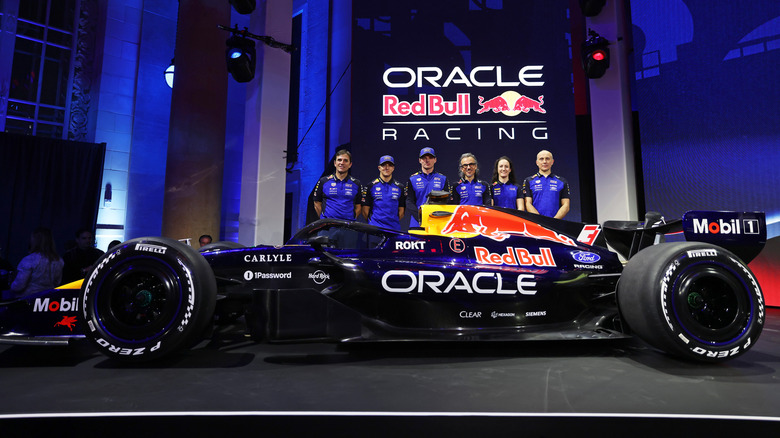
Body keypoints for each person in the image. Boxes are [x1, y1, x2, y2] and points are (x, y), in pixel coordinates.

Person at [7, 227, 64, 298]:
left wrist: (11, 285)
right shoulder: (59, 260)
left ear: (34, 241)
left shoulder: (30, 260)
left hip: (27, 299)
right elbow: (57, 282)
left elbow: (19, 286)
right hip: (47, 299)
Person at [405, 147, 450, 227]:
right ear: (420, 160)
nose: (427, 160)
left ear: (435, 160)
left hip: (437, 222)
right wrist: (420, 217)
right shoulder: (412, 179)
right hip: (417, 223)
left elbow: (447, 201)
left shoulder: (443, 179)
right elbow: (409, 202)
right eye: (424, 158)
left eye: (430, 157)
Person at [313, 149, 362, 220]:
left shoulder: (356, 183)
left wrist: (351, 220)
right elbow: (317, 203)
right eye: (339, 160)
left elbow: (358, 206)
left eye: (345, 160)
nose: (342, 163)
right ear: (335, 163)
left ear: (350, 164)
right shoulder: (323, 181)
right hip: (328, 227)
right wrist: (324, 220)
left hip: (348, 227)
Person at [362, 155, 406, 230]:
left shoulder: (400, 187)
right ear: (379, 168)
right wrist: (372, 223)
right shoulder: (371, 186)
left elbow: (402, 210)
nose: (387, 168)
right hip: (375, 229)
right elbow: (365, 210)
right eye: (384, 165)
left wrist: (393, 222)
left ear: (393, 168)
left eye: (390, 165)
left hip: (394, 229)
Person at [522, 150, 570, 219]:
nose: (544, 161)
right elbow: (527, 204)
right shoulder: (528, 181)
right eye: (541, 159)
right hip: (536, 224)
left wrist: (554, 221)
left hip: (557, 224)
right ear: (537, 162)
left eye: (547, 159)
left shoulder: (562, 181)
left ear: (552, 162)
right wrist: (541, 221)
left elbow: (566, 205)